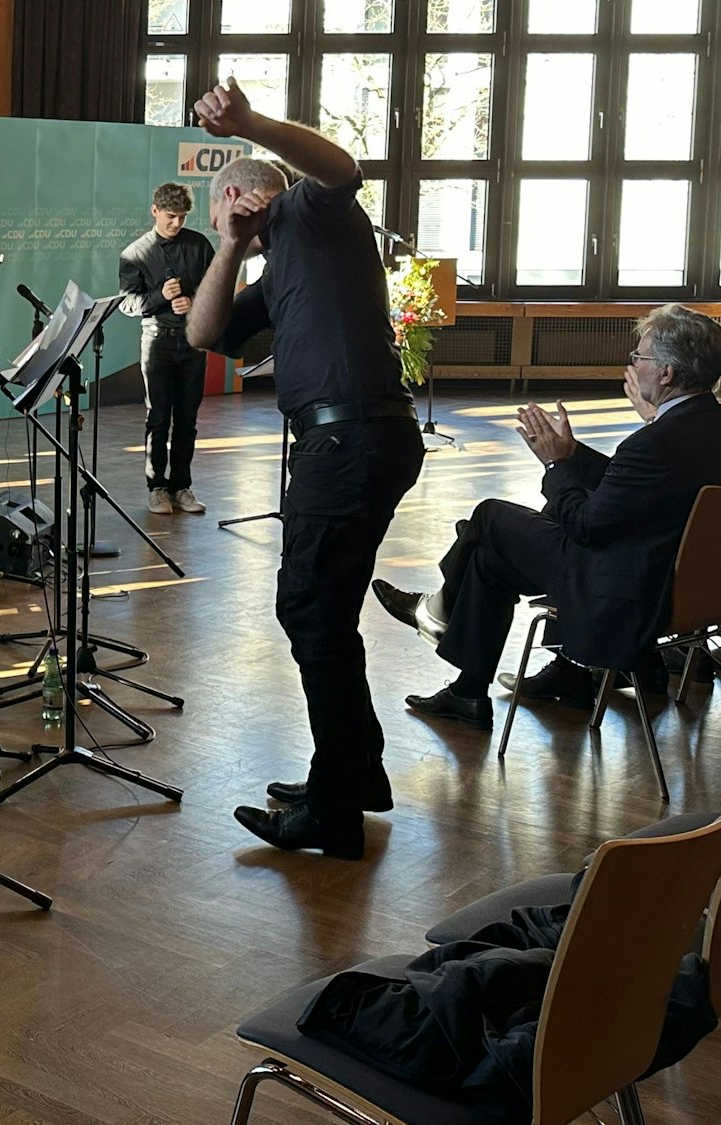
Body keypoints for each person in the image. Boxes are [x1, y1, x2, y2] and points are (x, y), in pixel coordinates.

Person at [184, 78, 424, 860]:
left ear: (239, 195)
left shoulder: (312, 213)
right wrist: (230, 245)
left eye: (215, 208)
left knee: (311, 614)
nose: (214, 218)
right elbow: (204, 332)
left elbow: (342, 165)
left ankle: (334, 810)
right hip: (351, 443)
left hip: (348, 442)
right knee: (325, 614)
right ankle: (354, 774)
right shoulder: (274, 255)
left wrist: (250, 122)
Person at [373, 306, 721, 723]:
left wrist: (555, 467)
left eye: (639, 357)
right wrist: (573, 455)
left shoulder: (655, 443)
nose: (632, 364)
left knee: (489, 518)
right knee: (489, 560)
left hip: (623, 591)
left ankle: (442, 610)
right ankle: (468, 693)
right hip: (690, 589)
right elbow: (632, 489)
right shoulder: (704, 426)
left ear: (665, 373)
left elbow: (586, 526)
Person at [119, 181, 217, 516]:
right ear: (155, 211)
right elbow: (128, 304)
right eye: (171, 216)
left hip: (193, 341)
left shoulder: (200, 245)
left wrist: (195, 301)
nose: (177, 223)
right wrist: (161, 295)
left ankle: (182, 487)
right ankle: (157, 487)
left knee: (188, 419)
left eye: (183, 217)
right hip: (157, 342)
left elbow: (216, 288)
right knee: (158, 417)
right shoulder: (134, 253)